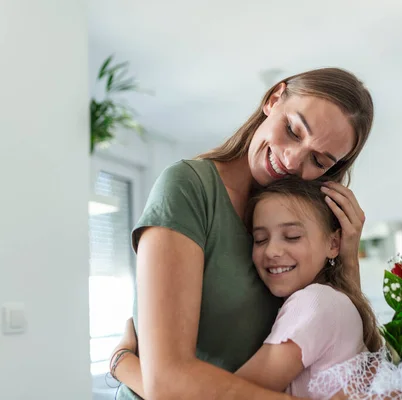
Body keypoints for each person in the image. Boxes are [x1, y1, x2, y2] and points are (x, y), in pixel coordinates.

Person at [114, 67, 374, 400]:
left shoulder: (301, 244)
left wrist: (346, 256)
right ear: (274, 99)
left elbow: (338, 349)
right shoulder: (188, 189)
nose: (293, 161)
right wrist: (124, 365)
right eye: (293, 130)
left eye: (318, 160)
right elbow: (167, 384)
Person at [110, 177, 383, 398]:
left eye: (292, 236)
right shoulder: (336, 302)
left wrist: (122, 362)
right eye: (260, 239)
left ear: (334, 244)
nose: (273, 251)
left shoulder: (316, 302)